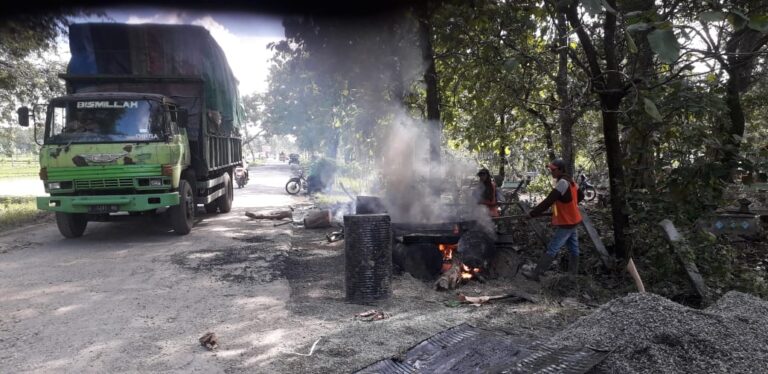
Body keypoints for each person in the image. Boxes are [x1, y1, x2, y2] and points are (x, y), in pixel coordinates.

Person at [522, 159, 584, 281]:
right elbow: (580, 196)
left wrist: (532, 214)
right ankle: (572, 276)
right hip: (573, 220)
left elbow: (548, 201)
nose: (551, 172)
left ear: (561, 170)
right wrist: (569, 207)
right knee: (574, 248)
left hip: (567, 222)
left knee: (553, 248)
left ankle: (536, 274)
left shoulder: (562, 183)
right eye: (550, 169)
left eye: (553, 169)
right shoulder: (571, 182)